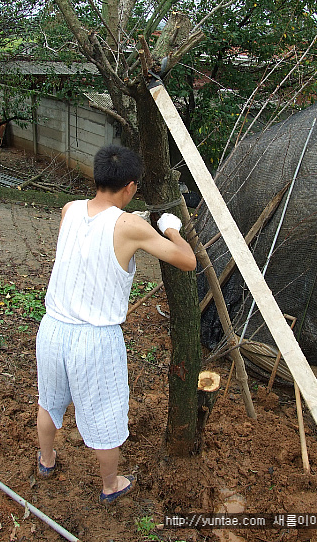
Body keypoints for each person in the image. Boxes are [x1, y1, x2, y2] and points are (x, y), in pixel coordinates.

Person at [35, 145, 196, 505]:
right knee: (104, 416)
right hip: (95, 340)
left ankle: (46, 460)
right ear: (131, 186)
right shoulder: (130, 226)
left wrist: (129, 220)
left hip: (52, 328)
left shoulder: (70, 209)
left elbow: (92, 240)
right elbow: (187, 261)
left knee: (50, 402)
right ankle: (111, 484)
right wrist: (171, 229)